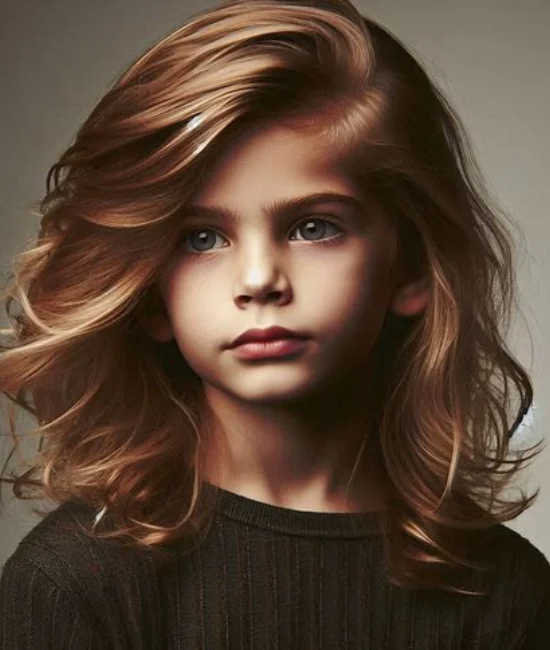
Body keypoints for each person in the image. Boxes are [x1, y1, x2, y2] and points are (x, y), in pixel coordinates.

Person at [0, 0, 548, 647]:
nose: (259, 279)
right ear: (150, 297)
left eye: (313, 226)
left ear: (412, 267)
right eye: (202, 238)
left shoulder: (509, 593)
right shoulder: (71, 585)